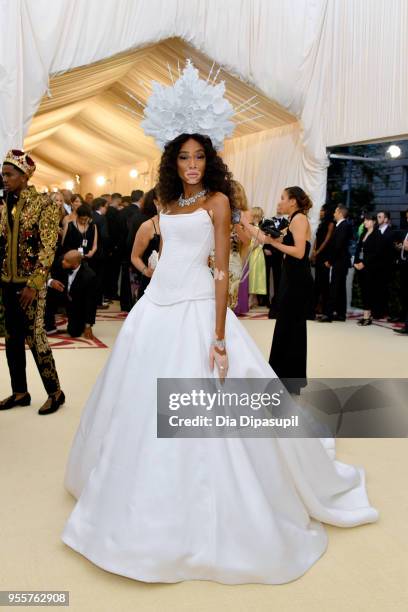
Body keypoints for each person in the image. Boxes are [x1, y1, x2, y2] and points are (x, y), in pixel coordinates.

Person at [61, 63, 378, 585]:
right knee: (133, 408)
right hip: (152, 316)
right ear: (171, 160)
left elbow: (222, 274)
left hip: (193, 313)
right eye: (183, 156)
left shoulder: (218, 202)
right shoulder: (164, 201)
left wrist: (218, 336)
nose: (191, 164)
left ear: (210, 158)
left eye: (199, 155)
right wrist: (149, 271)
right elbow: (148, 250)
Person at [0, 149, 65, 415]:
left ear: (24, 176)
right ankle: (20, 392)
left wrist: (35, 283)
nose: (4, 179)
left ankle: (55, 392)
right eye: (2, 174)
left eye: (9, 174)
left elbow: (49, 248)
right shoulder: (5, 205)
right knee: (12, 338)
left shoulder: (44, 205)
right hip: (7, 282)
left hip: (31, 285)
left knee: (36, 338)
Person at [241, 187, 314, 394]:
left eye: (283, 198)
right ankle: (285, 380)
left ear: (293, 202)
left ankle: (288, 381)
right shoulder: (292, 220)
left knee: (291, 329)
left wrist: (275, 243)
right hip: (291, 278)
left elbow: (299, 253)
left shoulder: (299, 219)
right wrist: (246, 224)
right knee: (286, 328)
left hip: (298, 281)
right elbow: (265, 239)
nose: (279, 201)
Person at [45, 250, 97, 338]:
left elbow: (91, 302)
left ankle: (76, 323)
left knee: (74, 332)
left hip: (77, 302)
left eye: (66, 261)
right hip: (60, 294)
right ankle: (49, 325)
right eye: (63, 259)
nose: (63, 262)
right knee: (46, 292)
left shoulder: (89, 276)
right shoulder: (60, 262)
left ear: (75, 264)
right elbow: (45, 275)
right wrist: (51, 282)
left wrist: (88, 325)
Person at [320, 204, 352, 322]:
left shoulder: (343, 226)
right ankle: (341, 314)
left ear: (340, 213)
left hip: (339, 262)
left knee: (334, 288)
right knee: (340, 288)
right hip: (340, 261)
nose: (333, 214)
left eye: (335, 212)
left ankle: (328, 315)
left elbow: (338, 246)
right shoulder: (342, 225)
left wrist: (330, 261)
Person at [353, 214, 384, 326]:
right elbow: (358, 249)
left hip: (370, 268)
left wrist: (364, 263)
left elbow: (376, 253)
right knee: (363, 291)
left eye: (367, 220)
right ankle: (366, 316)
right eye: (364, 220)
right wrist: (356, 262)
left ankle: (368, 316)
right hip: (361, 267)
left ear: (374, 222)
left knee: (369, 291)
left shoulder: (377, 234)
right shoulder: (363, 234)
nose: (365, 222)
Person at [130, 189, 161, 299]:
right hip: (151, 282)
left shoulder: (180, 224)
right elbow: (135, 256)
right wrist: (146, 271)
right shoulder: (148, 226)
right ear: (156, 202)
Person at [265, 201, 289, 317]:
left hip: (281, 253)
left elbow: (286, 238)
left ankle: (277, 301)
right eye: (278, 205)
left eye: (281, 205)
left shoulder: (287, 222)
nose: (279, 208)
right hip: (268, 253)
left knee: (278, 277)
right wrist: (265, 248)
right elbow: (265, 235)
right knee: (266, 276)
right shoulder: (269, 220)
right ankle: (266, 300)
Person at [311, 204, 335, 317]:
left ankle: (325, 309)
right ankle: (316, 307)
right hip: (318, 255)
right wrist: (313, 251)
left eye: (322, 210)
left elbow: (327, 240)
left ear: (327, 211)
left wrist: (318, 251)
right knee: (317, 283)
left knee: (324, 284)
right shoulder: (321, 224)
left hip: (325, 256)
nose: (320, 212)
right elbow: (317, 238)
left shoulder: (331, 224)